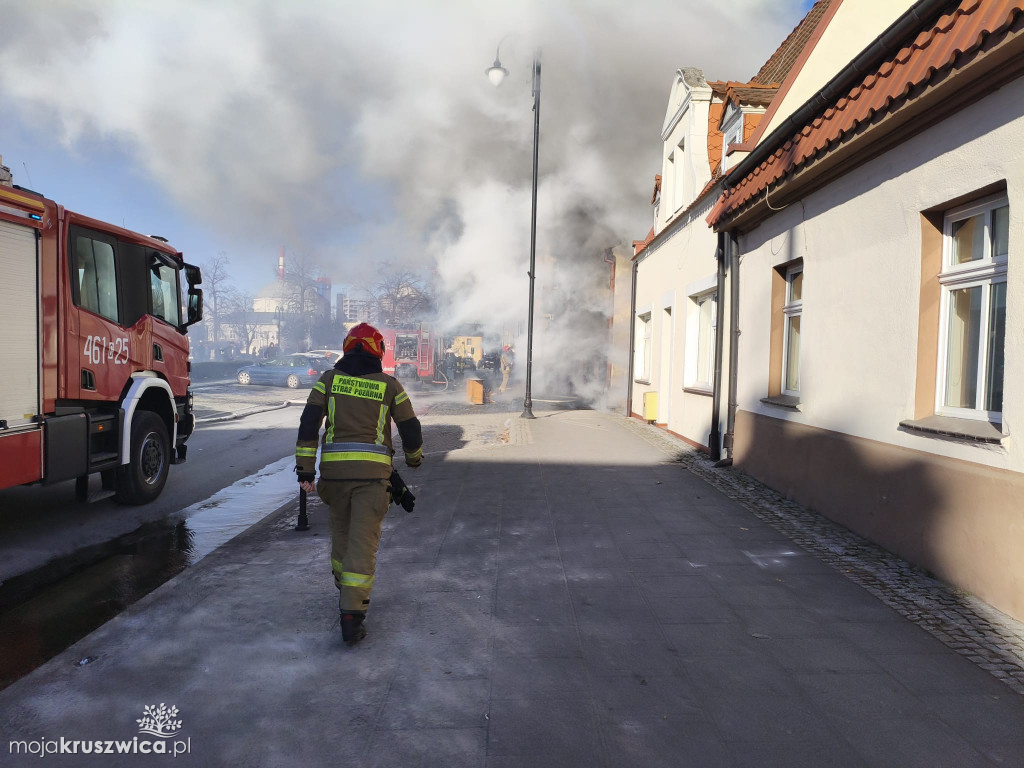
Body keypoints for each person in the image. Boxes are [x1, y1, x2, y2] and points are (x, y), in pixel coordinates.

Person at [295, 323, 423, 646]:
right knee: (363, 545)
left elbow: (308, 424)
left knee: (341, 534)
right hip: (372, 481)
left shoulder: (328, 381)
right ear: (377, 351)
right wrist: (414, 459)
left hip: (334, 480)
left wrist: (305, 471)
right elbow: (410, 427)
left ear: (347, 348)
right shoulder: (389, 385)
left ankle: (343, 585)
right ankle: (352, 617)